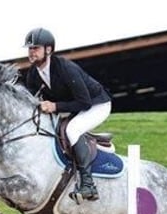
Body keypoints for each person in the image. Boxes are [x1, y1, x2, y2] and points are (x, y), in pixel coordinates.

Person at [23, 27, 111, 201]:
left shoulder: (65, 68)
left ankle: (88, 185)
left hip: (96, 104)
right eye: (30, 48)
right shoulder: (33, 74)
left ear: (48, 49)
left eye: (35, 48)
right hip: (73, 107)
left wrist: (55, 106)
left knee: (72, 130)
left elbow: (84, 103)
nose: (31, 52)